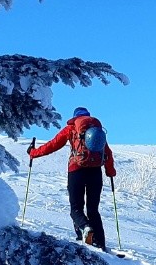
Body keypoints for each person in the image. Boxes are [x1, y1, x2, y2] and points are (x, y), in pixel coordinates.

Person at [28, 107, 117, 250]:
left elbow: (52, 145)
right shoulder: (96, 131)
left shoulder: (71, 129)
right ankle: (100, 244)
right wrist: (110, 171)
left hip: (76, 171)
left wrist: (34, 153)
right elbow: (107, 153)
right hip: (95, 172)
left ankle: (85, 228)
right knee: (93, 210)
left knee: (76, 208)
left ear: (75, 117)